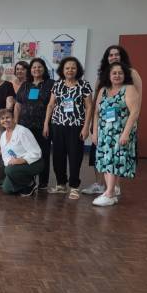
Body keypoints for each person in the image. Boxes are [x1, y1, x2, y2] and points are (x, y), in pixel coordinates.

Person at [82, 45, 143, 195]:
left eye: (117, 54)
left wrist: (131, 123)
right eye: (110, 55)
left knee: (117, 156)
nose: (114, 57)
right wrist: (92, 126)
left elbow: (137, 100)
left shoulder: (131, 73)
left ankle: (114, 188)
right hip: (103, 122)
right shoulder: (102, 75)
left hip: (122, 122)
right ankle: (99, 184)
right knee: (99, 154)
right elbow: (96, 101)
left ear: (122, 57)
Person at [43, 56, 93, 200]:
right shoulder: (57, 84)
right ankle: (61, 184)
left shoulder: (84, 85)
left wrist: (86, 127)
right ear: (62, 70)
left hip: (76, 127)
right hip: (57, 125)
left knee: (75, 156)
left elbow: (89, 107)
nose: (70, 70)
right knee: (58, 156)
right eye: (67, 68)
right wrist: (46, 123)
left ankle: (74, 186)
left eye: (73, 68)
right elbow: (51, 105)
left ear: (77, 70)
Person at [91, 62, 140, 206]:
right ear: (109, 75)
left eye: (120, 73)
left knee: (114, 162)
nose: (117, 75)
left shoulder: (129, 89)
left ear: (125, 75)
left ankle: (109, 193)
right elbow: (96, 113)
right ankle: (110, 193)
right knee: (105, 161)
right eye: (114, 73)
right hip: (104, 133)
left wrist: (126, 133)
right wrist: (95, 133)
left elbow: (134, 113)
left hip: (120, 133)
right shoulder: (103, 90)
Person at [14, 57, 54, 189]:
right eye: (34, 67)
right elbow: (18, 105)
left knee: (43, 153)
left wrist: (46, 124)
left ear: (44, 69)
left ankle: (43, 182)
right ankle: (29, 180)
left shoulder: (51, 84)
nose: (36, 69)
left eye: (39, 67)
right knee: (27, 153)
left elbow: (52, 105)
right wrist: (16, 124)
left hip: (43, 125)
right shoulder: (25, 85)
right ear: (30, 70)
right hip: (25, 126)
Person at [0, 108, 43, 196]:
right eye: (2, 118)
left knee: (9, 170)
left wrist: (22, 160)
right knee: (6, 189)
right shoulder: (3, 136)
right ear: (0, 121)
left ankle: (30, 184)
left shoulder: (22, 131)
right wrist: (10, 162)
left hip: (34, 162)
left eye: (8, 117)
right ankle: (23, 183)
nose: (5, 120)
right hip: (16, 166)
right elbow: (5, 156)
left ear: (13, 118)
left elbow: (37, 152)